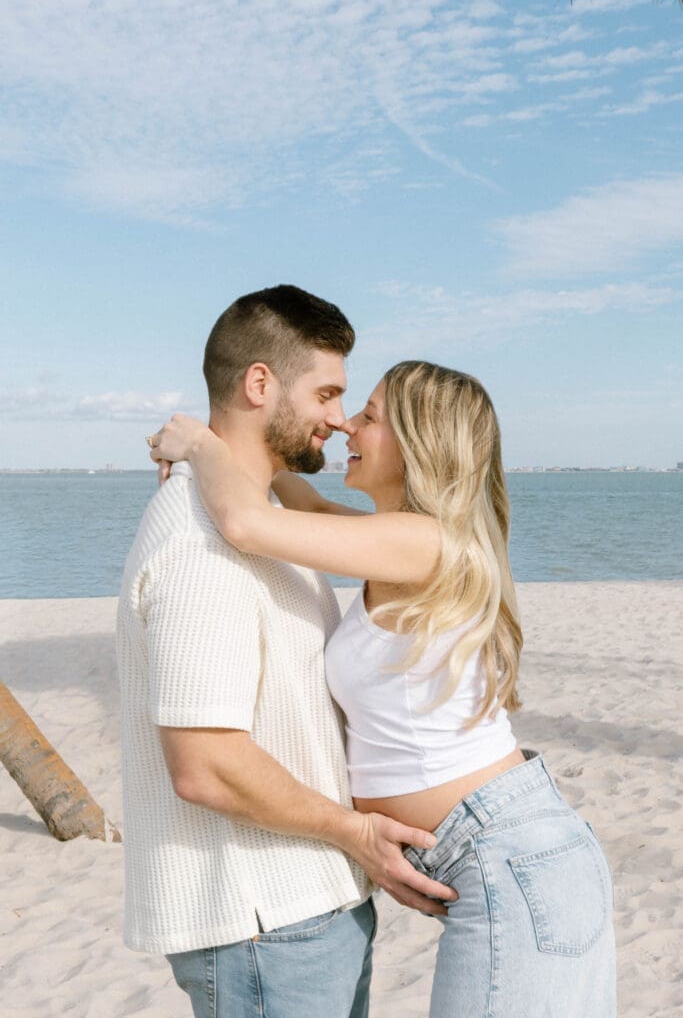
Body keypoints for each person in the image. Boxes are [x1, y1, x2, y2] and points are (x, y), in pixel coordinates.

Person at [150, 359, 617, 1018]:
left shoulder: (422, 543)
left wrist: (199, 444)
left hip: (506, 855)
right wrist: (250, 440)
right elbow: (296, 499)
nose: (346, 423)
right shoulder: (395, 540)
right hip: (497, 854)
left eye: (368, 416)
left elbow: (247, 525)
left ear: (417, 444)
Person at [117, 287, 455, 1018]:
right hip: (263, 923)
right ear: (259, 384)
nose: (339, 417)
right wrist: (354, 832)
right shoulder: (201, 544)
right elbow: (206, 766)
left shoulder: (260, 517)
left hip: (307, 910)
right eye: (328, 393)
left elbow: (272, 505)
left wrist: (206, 448)